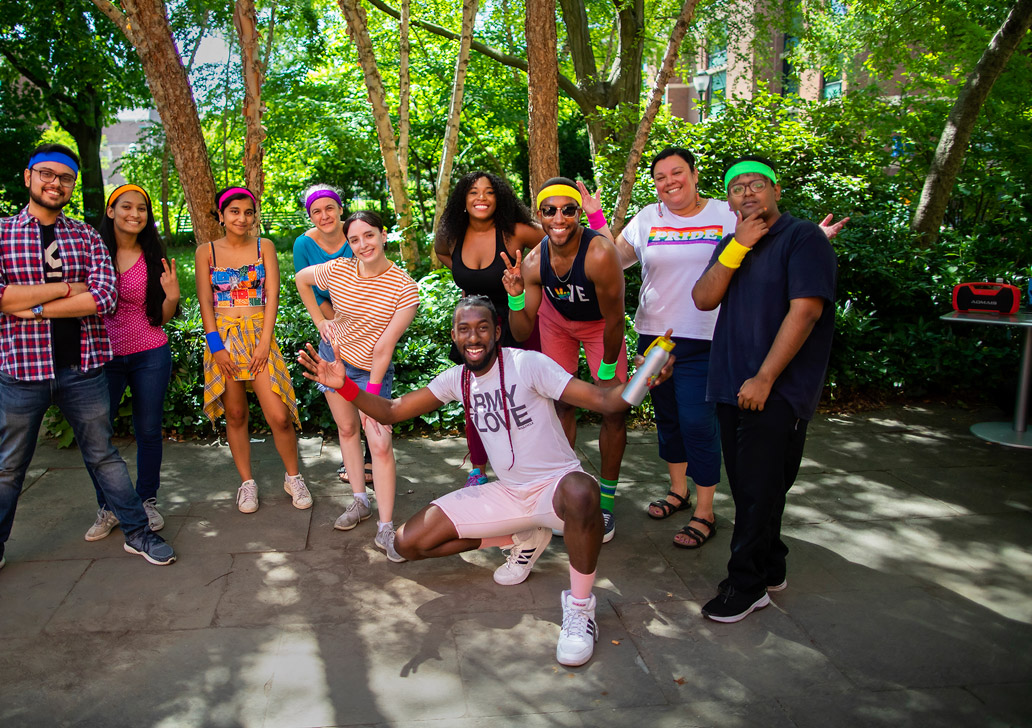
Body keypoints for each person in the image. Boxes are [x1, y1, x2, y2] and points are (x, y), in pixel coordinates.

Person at [296, 295, 660, 666]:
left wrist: (644, 377)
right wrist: (345, 387)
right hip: (510, 494)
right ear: (454, 336)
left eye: (483, 328)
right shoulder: (458, 379)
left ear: (497, 331)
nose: (474, 337)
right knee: (406, 544)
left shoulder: (528, 364)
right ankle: (523, 537)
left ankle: (580, 610)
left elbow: (606, 400)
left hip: (556, 491)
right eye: (465, 329)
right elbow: (391, 410)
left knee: (584, 490)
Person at [0, 144, 176, 596]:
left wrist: (30, 305)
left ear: (73, 185)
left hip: (83, 368)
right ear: (28, 177)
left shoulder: (87, 238)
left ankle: (138, 532)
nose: (55, 184)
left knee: (104, 454)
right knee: (9, 466)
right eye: (47, 175)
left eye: (65, 178)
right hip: (22, 370)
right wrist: (62, 291)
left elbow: (102, 298)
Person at [612, 147, 847, 550]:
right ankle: (677, 490)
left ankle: (705, 511)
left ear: (695, 174)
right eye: (660, 177)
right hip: (654, 335)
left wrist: (813, 240)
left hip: (707, 337)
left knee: (698, 424)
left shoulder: (727, 211)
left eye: (677, 172)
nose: (669, 182)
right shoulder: (647, 217)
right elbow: (609, 261)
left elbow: (768, 242)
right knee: (668, 419)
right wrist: (589, 229)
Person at [691, 155, 837, 623]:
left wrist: (766, 377)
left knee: (757, 489)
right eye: (737, 188)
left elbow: (807, 311)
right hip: (730, 385)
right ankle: (771, 563)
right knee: (754, 485)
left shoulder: (803, 237)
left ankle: (746, 583)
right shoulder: (731, 242)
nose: (747, 193)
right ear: (728, 199)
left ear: (776, 190)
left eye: (757, 184)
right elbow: (703, 298)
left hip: (776, 389)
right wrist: (736, 247)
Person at [502, 177, 628, 543]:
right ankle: (561, 493)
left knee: (614, 409)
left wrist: (605, 370)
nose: (559, 218)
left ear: (579, 214)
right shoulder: (532, 261)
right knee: (560, 406)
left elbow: (616, 318)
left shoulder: (600, 253)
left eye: (569, 209)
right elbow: (523, 330)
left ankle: (604, 501)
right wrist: (514, 296)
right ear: (539, 214)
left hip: (600, 325)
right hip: (557, 324)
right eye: (550, 210)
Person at [294, 210, 419, 561]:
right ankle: (360, 501)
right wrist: (321, 321)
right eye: (354, 239)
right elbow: (301, 279)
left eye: (369, 235)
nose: (362, 244)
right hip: (334, 360)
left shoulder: (405, 288)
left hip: (371, 371)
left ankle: (385, 526)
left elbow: (384, 347)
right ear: (348, 243)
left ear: (383, 235)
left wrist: (374, 398)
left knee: (379, 444)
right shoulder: (338, 269)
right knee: (347, 430)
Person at [195, 186, 311, 514]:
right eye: (234, 211)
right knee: (235, 413)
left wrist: (264, 343)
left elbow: (272, 295)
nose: (242, 218)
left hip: (260, 335)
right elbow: (205, 300)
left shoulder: (265, 247)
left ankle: (293, 477)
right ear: (221, 215)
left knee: (278, 415)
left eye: (248, 212)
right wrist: (216, 346)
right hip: (224, 339)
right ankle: (247, 483)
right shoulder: (206, 252)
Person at [82, 183, 180, 540]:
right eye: (126, 207)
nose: (135, 214)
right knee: (97, 433)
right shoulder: (92, 253)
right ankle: (109, 506)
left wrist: (171, 296)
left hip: (149, 353)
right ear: (111, 211)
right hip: (102, 355)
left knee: (149, 430)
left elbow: (161, 317)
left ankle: (146, 500)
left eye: (142, 208)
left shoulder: (154, 256)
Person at [433, 171, 543, 487]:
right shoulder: (452, 235)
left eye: (489, 191)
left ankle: (526, 469)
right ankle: (478, 469)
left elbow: (555, 242)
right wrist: (468, 279)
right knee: (476, 401)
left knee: (520, 401)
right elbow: (442, 252)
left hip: (516, 323)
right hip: (475, 332)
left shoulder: (516, 233)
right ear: (463, 201)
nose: (481, 197)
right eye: (473, 192)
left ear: (499, 198)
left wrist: (531, 278)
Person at [292, 184, 370, 487]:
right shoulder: (303, 245)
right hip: (332, 322)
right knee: (344, 403)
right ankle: (353, 456)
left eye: (329, 208)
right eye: (316, 211)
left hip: (365, 320)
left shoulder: (355, 234)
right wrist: (329, 323)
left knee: (371, 400)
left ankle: (372, 456)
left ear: (340, 208)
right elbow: (309, 287)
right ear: (310, 215)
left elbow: (370, 280)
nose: (323, 216)